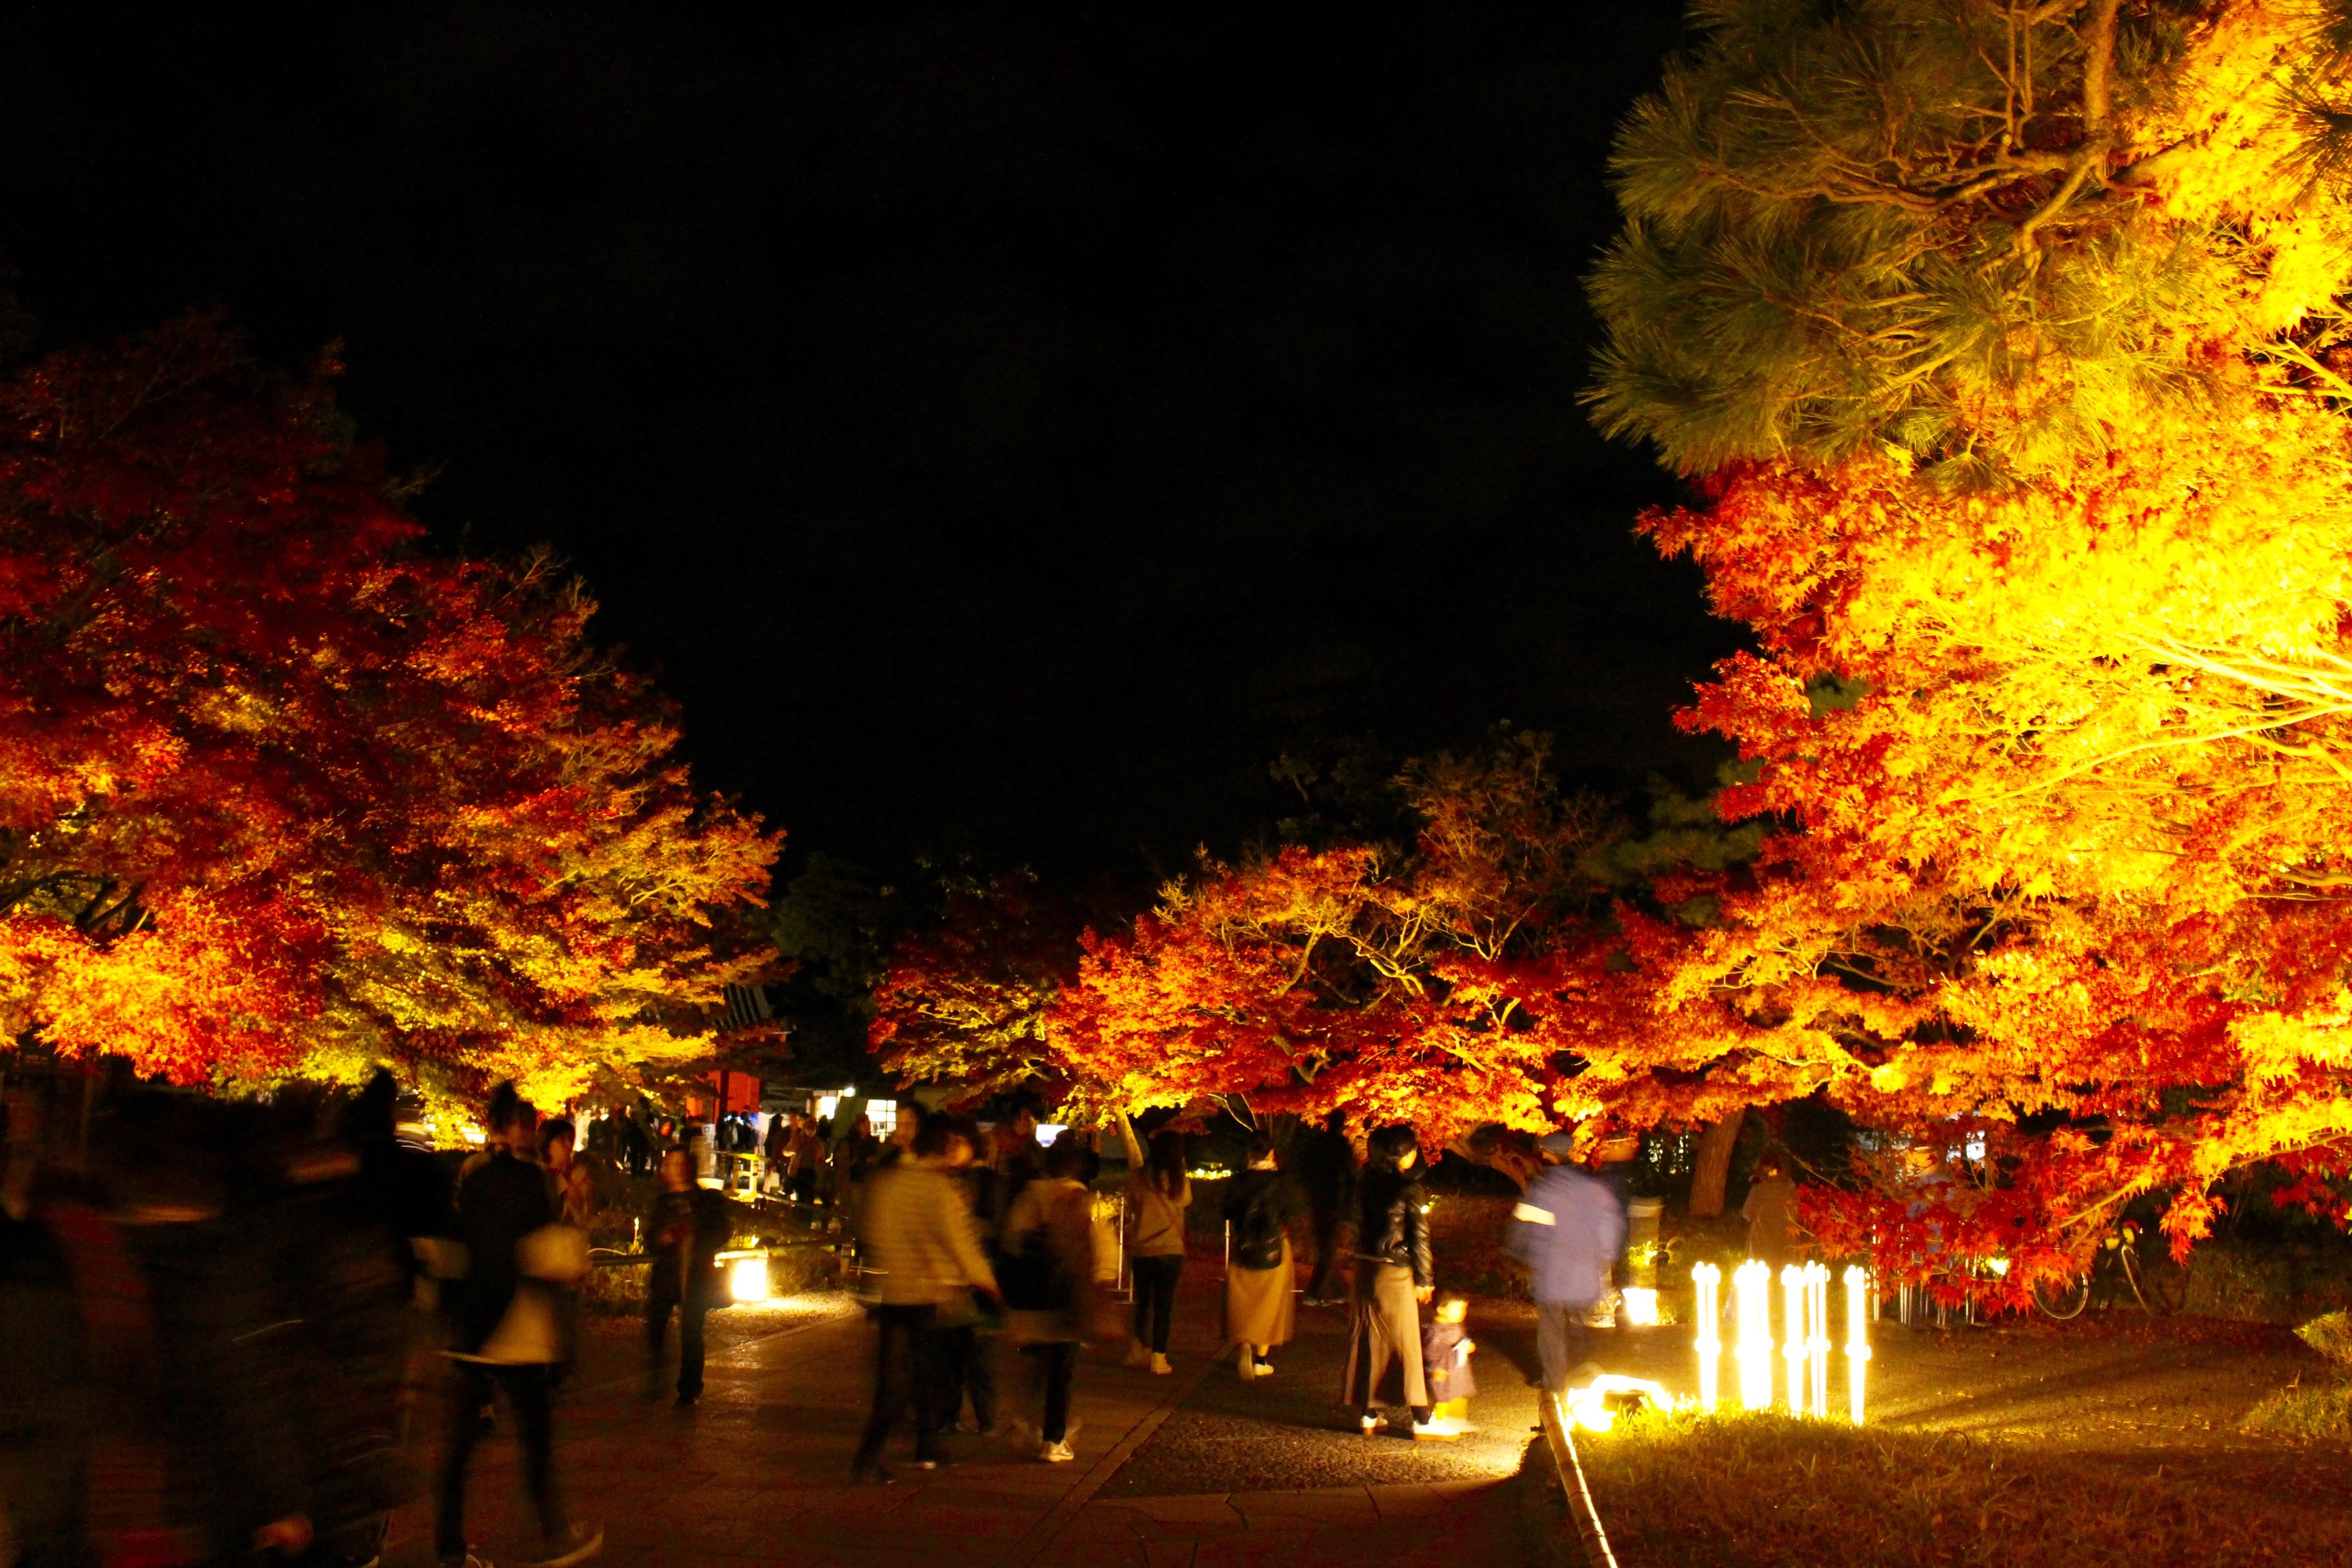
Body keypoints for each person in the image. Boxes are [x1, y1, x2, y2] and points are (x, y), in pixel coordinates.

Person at [436, 1084, 602, 1568]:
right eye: (526, 1124)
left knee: (459, 1447)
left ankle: (449, 1547)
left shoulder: (467, 1175)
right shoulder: (529, 1179)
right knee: (535, 1437)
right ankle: (555, 1534)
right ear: (515, 1127)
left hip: (472, 1325)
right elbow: (538, 1244)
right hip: (518, 1325)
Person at [851, 1116, 1000, 1483]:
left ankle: (917, 1449)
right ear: (946, 1148)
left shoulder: (886, 1182)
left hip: (893, 1293)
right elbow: (958, 1240)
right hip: (927, 1294)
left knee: (898, 1379)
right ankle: (884, 1457)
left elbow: (870, 1232)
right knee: (923, 1377)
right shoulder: (938, 1189)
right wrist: (985, 1281)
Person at [998, 1133, 1098, 1463]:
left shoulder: (1030, 1195)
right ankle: (1052, 1440)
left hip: (1032, 1298)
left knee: (1033, 1366)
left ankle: (1022, 1421)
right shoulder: (1077, 1199)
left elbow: (1011, 1241)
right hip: (1066, 1296)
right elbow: (1091, 1251)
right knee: (1062, 1370)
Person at [1341, 1124, 1444, 1439]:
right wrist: (1425, 1278)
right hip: (1394, 1270)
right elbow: (1419, 1238)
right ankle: (1422, 1417)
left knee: (1369, 1338)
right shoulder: (1407, 1188)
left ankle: (1369, 1412)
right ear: (1404, 1153)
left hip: (1364, 1268)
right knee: (1405, 1341)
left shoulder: (1362, 1183)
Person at [1506, 1130, 1627, 1396]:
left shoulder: (1543, 1189)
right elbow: (1610, 1223)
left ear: (1548, 1154)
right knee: (1581, 1325)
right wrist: (1605, 1256)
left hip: (1551, 1269)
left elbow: (1524, 1225)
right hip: (1584, 1269)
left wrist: (1517, 1253)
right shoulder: (1593, 1189)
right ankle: (1584, 1376)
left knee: (1552, 1327)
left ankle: (1556, 1381)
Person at [644, 1148, 730, 1407]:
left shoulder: (707, 1201)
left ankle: (689, 1388)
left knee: (692, 1331)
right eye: (672, 1164)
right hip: (667, 1275)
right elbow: (651, 1240)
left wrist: (697, 1234)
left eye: (682, 1163)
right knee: (655, 1327)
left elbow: (722, 1232)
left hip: (696, 1275)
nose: (678, 1168)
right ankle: (654, 1376)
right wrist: (665, 1237)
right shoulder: (663, 1203)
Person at [934, 1115, 1002, 1437]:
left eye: (956, 1143)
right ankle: (950, 1414)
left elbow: (993, 1228)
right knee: (949, 1356)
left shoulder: (985, 1181)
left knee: (976, 1355)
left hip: (976, 1279)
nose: (950, 1150)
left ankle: (985, 1416)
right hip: (949, 1280)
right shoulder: (942, 1180)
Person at [1220, 1132, 1304, 1378]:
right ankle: (1261, 1359)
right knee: (1271, 1302)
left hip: (1243, 1246)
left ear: (1249, 1155)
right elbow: (1295, 1209)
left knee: (1242, 1298)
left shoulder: (1238, 1181)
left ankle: (1244, 1343)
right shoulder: (1282, 1181)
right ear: (1270, 1153)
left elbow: (1226, 1212)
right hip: (1274, 1246)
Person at [1115, 1113, 1190, 1375]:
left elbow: (1133, 1204)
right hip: (1171, 1250)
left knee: (1143, 1302)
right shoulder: (1181, 1181)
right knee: (1164, 1305)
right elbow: (1185, 1203)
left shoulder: (1140, 1178)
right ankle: (1159, 1357)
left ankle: (1138, 1349)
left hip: (1143, 1250)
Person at [1296, 1109, 1358, 1305]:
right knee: (1328, 1248)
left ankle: (1338, 1290)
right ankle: (1315, 1292)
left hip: (1317, 1199)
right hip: (1334, 1201)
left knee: (1326, 1246)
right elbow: (1351, 1174)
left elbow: (1306, 1170)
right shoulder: (1341, 1146)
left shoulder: (1317, 1144)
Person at [1422, 1294, 1477, 1428]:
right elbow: (1431, 1351)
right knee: (1444, 1395)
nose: (1462, 1313)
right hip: (1444, 1368)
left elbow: (1462, 1339)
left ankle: (1457, 1420)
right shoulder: (1435, 1330)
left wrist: (1468, 1345)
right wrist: (1435, 1368)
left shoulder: (1456, 1325)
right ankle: (1438, 1420)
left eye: (1464, 1309)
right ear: (1442, 1309)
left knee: (1459, 1392)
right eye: (1458, 1309)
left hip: (1457, 1368)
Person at [1743, 1156, 1806, 1273]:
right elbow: (1799, 1214)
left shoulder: (1759, 1189)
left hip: (1761, 1242)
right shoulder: (1791, 1188)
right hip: (1787, 1242)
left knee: (1760, 1273)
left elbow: (1747, 1212)